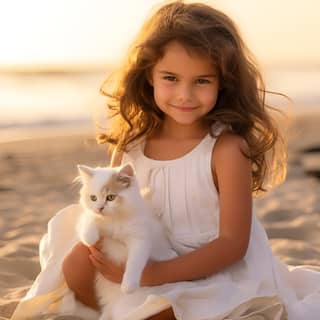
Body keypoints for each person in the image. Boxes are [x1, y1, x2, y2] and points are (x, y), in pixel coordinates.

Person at [11, 1, 320, 320]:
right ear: (149, 75)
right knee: (75, 261)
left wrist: (153, 274)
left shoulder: (226, 149)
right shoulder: (131, 147)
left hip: (214, 269)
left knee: (173, 309)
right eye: (171, 78)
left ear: (222, 82)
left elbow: (232, 245)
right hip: (147, 254)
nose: (185, 95)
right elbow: (113, 217)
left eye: (202, 81)